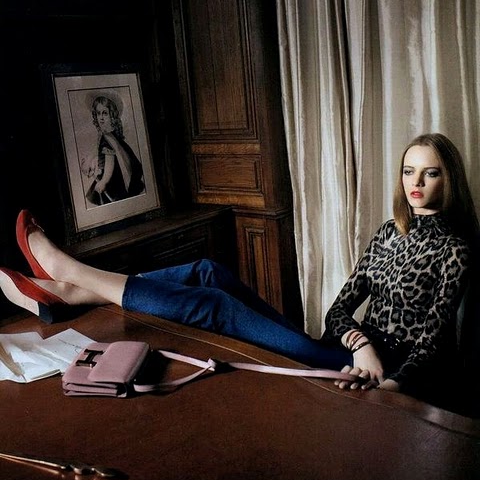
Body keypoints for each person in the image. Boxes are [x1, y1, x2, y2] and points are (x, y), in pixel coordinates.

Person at [0, 133, 478, 410]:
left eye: (430, 172)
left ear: (449, 178)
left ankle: (72, 280)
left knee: (216, 307)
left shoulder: (455, 251)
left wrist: (386, 384)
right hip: (347, 351)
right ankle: (69, 291)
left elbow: (434, 344)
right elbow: (338, 311)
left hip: (378, 373)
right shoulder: (389, 232)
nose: (416, 182)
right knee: (208, 270)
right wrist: (362, 343)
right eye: (408, 171)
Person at [83, 94, 145, 205]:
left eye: (105, 113)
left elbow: (110, 162)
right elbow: (101, 154)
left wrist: (104, 181)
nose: (101, 117)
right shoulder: (110, 135)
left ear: (112, 115)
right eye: (98, 113)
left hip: (114, 180)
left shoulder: (107, 139)